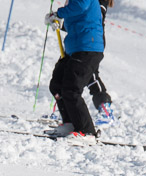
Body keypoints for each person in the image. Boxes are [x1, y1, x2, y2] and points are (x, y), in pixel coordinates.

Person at [44, 0, 105, 144]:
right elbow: (80, 18)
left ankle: (87, 131)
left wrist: (58, 13)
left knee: (71, 90)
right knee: (57, 85)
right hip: (75, 48)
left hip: (87, 48)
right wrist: (58, 22)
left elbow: (80, 6)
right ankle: (70, 123)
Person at [87, 0, 116, 127]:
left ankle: (105, 108)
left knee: (90, 73)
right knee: (67, 69)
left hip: (92, 38)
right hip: (80, 36)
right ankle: (65, 110)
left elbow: (94, 16)